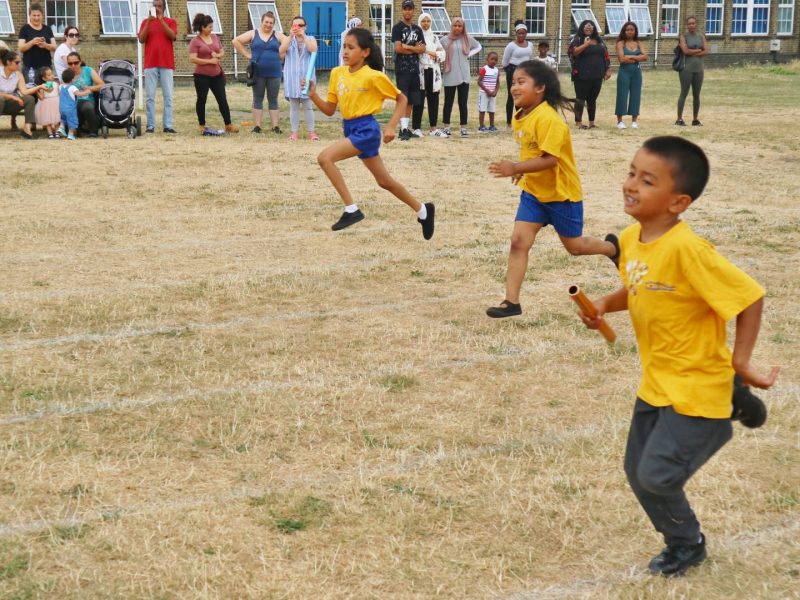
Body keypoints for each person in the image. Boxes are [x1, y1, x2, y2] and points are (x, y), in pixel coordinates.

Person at [578, 136, 779, 576]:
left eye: (647, 181)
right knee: (637, 470)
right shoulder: (631, 239)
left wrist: (742, 361)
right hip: (657, 384)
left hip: (696, 387)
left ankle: (688, 542)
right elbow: (640, 287)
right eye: (632, 173)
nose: (631, 184)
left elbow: (749, 298)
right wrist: (603, 304)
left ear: (678, 202)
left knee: (656, 477)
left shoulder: (689, 250)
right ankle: (734, 399)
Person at [486, 60, 617, 318]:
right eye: (513, 82)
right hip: (534, 194)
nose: (514, 87)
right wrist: (522, 170)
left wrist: (515, 167)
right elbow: (531, 149)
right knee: (518, 242)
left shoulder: (549, 119)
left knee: (575, 247)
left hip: (561, 195)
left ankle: (612, 249)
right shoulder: (520, 114)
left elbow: (550, 159)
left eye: (521, 82)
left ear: (540, 88)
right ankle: (511, 302)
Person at [306, 28, 435, 239]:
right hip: (350, 128)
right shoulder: (337, 73)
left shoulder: (374, 76)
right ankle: (423, 210)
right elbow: (329, 110)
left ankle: (351, 209)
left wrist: (391, 127)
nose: (345, 51)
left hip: (367, 130)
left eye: (351, 47)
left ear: (365, 52)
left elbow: (402, 99)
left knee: (325, 158)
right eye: (344, 47)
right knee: (384, 181)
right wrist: (313, 95)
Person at [232, 10, 285, 134]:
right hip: (257, 73)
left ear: (274, 24)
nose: (268, 25)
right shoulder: (253, 33)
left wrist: (283, 54)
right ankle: (257, 127)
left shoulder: (278, 35)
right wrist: (247, 54)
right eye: (266, 22)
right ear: (261, 22)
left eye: (271, 23)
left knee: (273, 99)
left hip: (275, 73)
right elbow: (235, 41)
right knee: (257, 98)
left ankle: (275, 127)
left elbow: (289, 42)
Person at [189, 13, 238, 135]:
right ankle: (201, 125)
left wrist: (218, 55)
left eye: (212, 26)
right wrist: (209, 61)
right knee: (202, 99)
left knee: (222, 99)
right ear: (202, 27)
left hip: (217, 75)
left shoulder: (215, 37)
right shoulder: (195, 41)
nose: (212, 29)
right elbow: (193, 59)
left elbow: (222, 51)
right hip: (201, 76)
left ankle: (228, 124)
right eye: (209, 27)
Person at [138, 0, 177, 134]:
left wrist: (161, 20)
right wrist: (149, 22)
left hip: (166, 63)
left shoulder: (170, 22)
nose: (156, 8)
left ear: (164, 8)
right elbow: (141, 39)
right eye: (154, 6)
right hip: (150, 63)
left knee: (168, 96)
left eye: (159, 6)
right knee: (150, 96)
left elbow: (173, 36)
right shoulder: (145, 22)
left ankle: (168, 125)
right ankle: (150, 126)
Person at [440, 16, 481, 137]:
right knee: (448, 102)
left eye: (460, 26)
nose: (457, 28)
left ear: (463, 27)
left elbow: (478, 46)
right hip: (450, 73)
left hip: (464, 74)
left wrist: (469, 54)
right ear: (451, 26)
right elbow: (438, 51)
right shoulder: (444, 40)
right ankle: (446, 127)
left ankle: (463, 127)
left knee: (463, 102)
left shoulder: (467, 38)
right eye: (455, 26)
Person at [280, 15, 319, 141]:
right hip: (292, 78)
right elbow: (281, 52)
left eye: (300, 25)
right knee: (294, 107)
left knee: (308, 106)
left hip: (307, 78)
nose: (298, 27)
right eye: (295, 25)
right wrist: (291, 36)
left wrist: (303, 36)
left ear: (305, 27)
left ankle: (311, 132)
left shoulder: (311, 39)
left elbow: (313, 50)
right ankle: (294, 132)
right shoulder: (288, 40)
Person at [568, 20, 610, 129]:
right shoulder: (577, 39)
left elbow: (606, 55)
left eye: (591, 27)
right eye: (586, 27)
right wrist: (585, 45)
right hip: (581, 75)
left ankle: (592, 123)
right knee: (580, 99)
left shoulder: (599, 40)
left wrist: (607, 69)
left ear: (594, 29)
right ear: (582, 28)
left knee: (592, 99)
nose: (588, 28)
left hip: (597, 75)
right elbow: (573, 52)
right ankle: (578, 122)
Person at [392, 0, 425, 140]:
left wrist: (409, 47)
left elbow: (422, 49)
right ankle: (403, 128)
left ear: (413, 11)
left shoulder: (418, 29)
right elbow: (398, 48)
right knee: (403, 99)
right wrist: (414, 49)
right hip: (402, 70)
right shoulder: (397, 28)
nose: (407, 11)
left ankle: (405, 128)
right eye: (405, 9)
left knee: (411, 100)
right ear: (402, 10)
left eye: (410, 9)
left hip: (414, 70)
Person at [413, 12, 446, 137]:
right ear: (419, 22)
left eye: (428, 21)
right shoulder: (416, 37)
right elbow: (415, 52)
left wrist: (431, 53)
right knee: (419, 100)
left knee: (433, 100)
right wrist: (431, 52)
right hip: (420, 71)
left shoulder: (434, 37)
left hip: (433, 71)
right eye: (423, 21)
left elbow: (443, 54)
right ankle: (416, 128)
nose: (425, 23)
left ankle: (433, 128)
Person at [0, 48, 40, 138]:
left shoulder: (18, 74)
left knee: (29, 99)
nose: (19, 65)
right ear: (8, 62)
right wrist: (13, 97)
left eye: (20, 62)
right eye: (17, 62)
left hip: (9, 105)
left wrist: (39, 87)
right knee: (1, 99)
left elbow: (25, 92)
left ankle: (27, 129)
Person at [615, 21, 647, 130]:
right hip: (624, 72)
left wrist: (630, 57)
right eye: (627, 30)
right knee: (622, 95)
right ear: (624, 31)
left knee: (636, 95)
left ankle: (634, 121)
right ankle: (620, 121)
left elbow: (645, 57)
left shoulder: (639, 43)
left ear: (635, 31)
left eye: (632, 30)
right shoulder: (620, 43)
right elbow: (621, 59)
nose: (629, 32)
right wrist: (637, 58)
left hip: (636, 72)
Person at [676, 16, 708, 127]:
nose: (691, 25)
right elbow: (685, 51)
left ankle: (695, 119)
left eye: (693, 23)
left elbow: (706, 51)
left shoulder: (701, 36)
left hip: (699, 69)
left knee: (696, 94)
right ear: (687, 25)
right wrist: (699, 50)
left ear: (696, 24)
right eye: (689, 23)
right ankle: (679, 119)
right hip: (686, 69)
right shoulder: (683, 36)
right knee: (684, 93)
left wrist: (693, 52)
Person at [502, 21, 533, 129]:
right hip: (513, 70)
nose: (521, 35)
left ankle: (521, 120)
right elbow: (504, 62)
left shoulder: (530, 45)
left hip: (525, 71)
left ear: (526, 34)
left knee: (523, 96)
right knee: (512, 96)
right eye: (519, 33)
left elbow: (530, 58)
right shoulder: (511, 46)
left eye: (523, 33)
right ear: (516, 33)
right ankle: (509, 123)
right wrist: (510, 72)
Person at [66, 51, 104, 137]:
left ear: (80, 62)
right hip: (72, 101)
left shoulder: (88, 70)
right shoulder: (67, 73)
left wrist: (90, 88)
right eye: (70, 63)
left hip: (87, 99)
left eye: (76, 63)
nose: (73, 65)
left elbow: (102, 85)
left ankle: (93, 131)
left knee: (87, 107)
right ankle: (78, 129)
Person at [17, 3, 55, 86]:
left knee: (48, 90)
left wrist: (45, 45)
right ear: (29, 16)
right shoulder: (24, 29)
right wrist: (32, 42)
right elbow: (21, 48)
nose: (36, 18)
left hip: (46, 68)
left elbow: (54, 47)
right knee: (32, 91)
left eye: (38, 15)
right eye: (34, 15)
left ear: (42, 15)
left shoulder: (47, 29)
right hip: (30, 69)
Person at [57, 67, 90, 140]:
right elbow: (79, 94)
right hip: (70, 109)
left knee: (63, 119)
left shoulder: (60, 86)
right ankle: (71, 134)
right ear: (72, 79)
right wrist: (87, 92)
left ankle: (61, 128)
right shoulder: (72, 87)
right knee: (72, 121)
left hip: (61, 108)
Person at [477, 51, 500, 132]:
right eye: (492, 59)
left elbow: (497, 83)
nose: (494, 61)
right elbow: (479, 81)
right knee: (482, 109)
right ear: (487, 59)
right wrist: (487, 90)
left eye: (495, 60)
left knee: (492, 110)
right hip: (484, 93)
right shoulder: (484, 69)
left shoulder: (497, 70)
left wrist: (495, 91)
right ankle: (481, 126)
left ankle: (492, 125)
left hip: (492, 94)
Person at [34, 66, 60, 138]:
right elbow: (42, 97)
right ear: (44, 78)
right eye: (49, 75)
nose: (52, 76)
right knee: (47, 120)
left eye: (52, 74)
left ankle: (57, 132)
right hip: (46, 104)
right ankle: (50, 133)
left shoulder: (56, 84)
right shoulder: (43, 86)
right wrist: (37, 91)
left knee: (57, 119)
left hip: (56, 102)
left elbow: (57, 92)